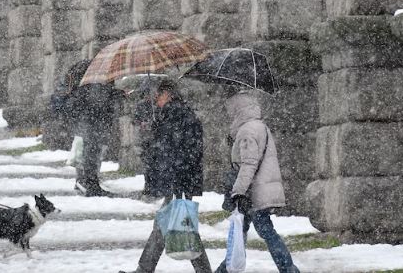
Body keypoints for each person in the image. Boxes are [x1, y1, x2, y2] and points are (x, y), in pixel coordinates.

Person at [120, 78, 213, 273]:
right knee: (169, 225)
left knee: (179, 226)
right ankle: (145, 269)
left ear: (169, 95)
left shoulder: (180, 116)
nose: (156, 98)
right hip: (177, 180)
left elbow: (185, 152)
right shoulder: (170, 116)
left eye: (159, 95)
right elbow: (164, 150)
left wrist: (174, 173)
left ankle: (145, 270)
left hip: (178, 181)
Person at [213, 86, 300, 273]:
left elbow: (248, 164)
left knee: (262, 231)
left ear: (237, 109)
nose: (228, 112)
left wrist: (238, 191)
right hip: (257, 189)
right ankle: (226, 269)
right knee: (241, 231)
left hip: (252, 192)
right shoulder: (259, 127)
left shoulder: (247, 131)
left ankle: (288, 269)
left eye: (230, 108)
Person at [66, 80, 123, 197]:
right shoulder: (96, 84)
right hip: (93, 124)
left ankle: (90, 184)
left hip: (92, 123)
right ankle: (90, 185)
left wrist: (117, 93)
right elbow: (99, 102)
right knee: (91, 155)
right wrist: (115, 94)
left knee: (93, 155)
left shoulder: (94, 83)